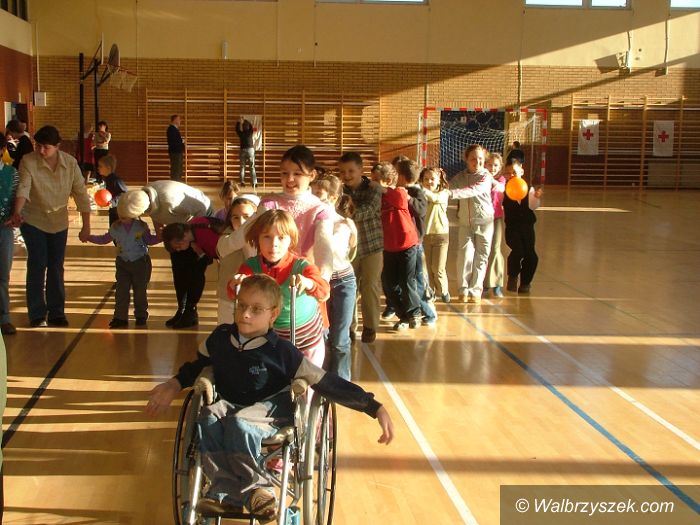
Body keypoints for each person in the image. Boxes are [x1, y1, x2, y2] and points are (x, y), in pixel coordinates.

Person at [146, 274, 394, 521]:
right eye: (241, 305)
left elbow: (324, 381)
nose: (245, 314)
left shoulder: (282, 352)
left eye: (256, 309)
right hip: (229, 404)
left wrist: (373, 406)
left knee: (239, 423)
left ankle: (259, 489)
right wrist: (173, 384)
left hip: (271, 409)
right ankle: (225, 490)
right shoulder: (220, 338)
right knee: (208, 417)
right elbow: (197, 366)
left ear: (273, 314)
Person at [7, 125, 91, 327]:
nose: (41, 151)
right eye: (38, 146)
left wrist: (86, 226)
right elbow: (23, 188)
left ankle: (56, 312)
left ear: (58, 146)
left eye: (46, 147)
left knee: (55, 266)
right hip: (33, 220)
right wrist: (17, 212)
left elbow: (81, 194)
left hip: (58, 222)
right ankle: (37, 313)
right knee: (38, 263)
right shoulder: (28, 161)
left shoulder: (70, 163)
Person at [217, 145, 333, 281]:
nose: (290, 179)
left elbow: (324, 250)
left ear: (312, 175)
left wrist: (321, 282)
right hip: (269, 279)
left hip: (302, 280)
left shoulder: (320, 210)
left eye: (297, 174)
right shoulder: (270, 203)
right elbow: (246, 230)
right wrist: (223, 247)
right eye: (284, 173)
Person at [230, 210, 329, 368]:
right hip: (272, 336)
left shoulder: (302, 265)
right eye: (266, 237)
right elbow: (233, 293)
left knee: (307, 378)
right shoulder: (250, 267)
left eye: (281, 237)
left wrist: (309, 283)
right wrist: (236, 283)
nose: (274, 244)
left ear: (291, 240)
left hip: (307, 337)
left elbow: (324, 291)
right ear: (257, 239)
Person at [120, 180, 212, 326]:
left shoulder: (171, 200)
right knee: (179, 271)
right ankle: (181, 309)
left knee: (194, 272)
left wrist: (190, 237)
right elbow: (154, 213)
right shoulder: (144, 195)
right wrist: (159, 232)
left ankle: (190, 312)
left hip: (199, 223)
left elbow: (202, 209)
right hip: (177, 229)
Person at [85, 197, 159, 328]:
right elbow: (104, 239)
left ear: (134, 212)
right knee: (121, 291)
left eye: (126, 212)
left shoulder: (141, 227)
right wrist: (88, 237)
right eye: (120, 212)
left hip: (140, 263)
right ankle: (120, 317)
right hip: (122, 263)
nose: (122, 215)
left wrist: (162, 237)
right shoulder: (115, 227)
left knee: (140, 291)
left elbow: (149, 240)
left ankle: (141, 315)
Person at [311, 174, 357, 380]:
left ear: (332, 198)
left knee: (340, 339)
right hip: (320, 282)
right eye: (311, 194)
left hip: (343, 281)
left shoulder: (342, 224)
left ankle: (341, 384)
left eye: (318, 195)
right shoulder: (310, 223)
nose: (313, 199)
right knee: (322, 335)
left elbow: (330, 249)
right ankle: (322, 381)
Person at [339, 153, 382, 343]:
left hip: (372, 246)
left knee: (370, 285)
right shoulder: (340, 191)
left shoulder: (373, 189)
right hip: (349, 248)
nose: (346, 175)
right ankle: (349, 327)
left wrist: (342, 214)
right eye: (342, 172)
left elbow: (368, 210)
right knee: (350, 287)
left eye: (351, 171)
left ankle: (370, 326)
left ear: (360, 170)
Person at [375, 162, 421, 331]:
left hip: (407, 245)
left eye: (376, 180)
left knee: (407, 281)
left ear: (388, 180)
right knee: (389, 284)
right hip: (388, 247)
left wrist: (377, 187)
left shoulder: (400, 193)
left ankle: (414, 313)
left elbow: (397, 198)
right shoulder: (376, 198)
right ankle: (403, 316)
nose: (373, 183)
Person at [448, 144, 495, 304]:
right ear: (466, 160)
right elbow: (448, 186)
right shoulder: (460, 177)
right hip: (465, 223)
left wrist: (451, 194)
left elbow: (473, 190)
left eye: (480, 158)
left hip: (484, 222)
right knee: (465, 254)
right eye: (473, 159)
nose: (477, 162)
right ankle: (463, 289)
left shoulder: (486, 177)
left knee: (481, 256)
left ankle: (476, 290)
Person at [162, 217, 225, 328]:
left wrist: (202, 253)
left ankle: (189, 311)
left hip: (227, 255)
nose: (178, 249)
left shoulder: (203, 236)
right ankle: (185, 310)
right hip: (216, 250)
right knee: (184, 270)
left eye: (178, 246)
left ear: (184, 236)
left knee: (196, 275)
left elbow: (218, 253)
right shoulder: (192, 233)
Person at [397, 159, 437, 327]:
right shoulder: (399, 191)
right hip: (403, 243)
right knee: (408, 281)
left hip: (415, 244)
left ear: (401, 176)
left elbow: (420, 210)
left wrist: (408, 198)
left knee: (416, 281)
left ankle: (428, 312)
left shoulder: (417, 192)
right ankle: (413, 312)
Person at [216, 195, 259, 325]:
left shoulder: (263, 239)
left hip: (255, 299)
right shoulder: (225, 240)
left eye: (247, 217)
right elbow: (239, 238)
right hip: (228, 300)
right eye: (235, 217)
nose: (241, 222)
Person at [502, 160, 543, 294]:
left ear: (521, 172)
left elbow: (533, 206)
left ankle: (525, 283)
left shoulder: (528, 188)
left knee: (531, 255)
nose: (511, 175)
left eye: (514, 172)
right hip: (512, 228)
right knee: (518, 251)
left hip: (527, 227)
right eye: (508, 173)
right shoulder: (504, 190)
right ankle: (513, 276)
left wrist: (536, 197)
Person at [420, 166, 451, 303]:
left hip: (441, 235)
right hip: (426, 235)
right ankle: (430, 292)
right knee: (427, 268)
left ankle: (443, 290)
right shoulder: (421, 195)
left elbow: (435, 198)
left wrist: (420, 189)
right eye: (426, 179)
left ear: (439, 180)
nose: (429, 182)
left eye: (432, 179)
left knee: (437, 268)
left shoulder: (444, 193)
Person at [0, 136, 19, 335]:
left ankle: (4, 318)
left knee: (3, 275)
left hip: (3, 230)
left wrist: (15, 215)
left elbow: (17, 198)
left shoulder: (11, 173)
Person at [484, 153, 506, 298]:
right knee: (483, 251)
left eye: (496, 165)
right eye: (490, 164)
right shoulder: (480, 178)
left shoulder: (501, 179)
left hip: (496, 218)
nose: (492, 168)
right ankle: (484, 283)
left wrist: (487, 176)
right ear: (485, 164)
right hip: (482, 219)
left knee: (496, 249)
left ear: (500, 167)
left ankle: (497, 283)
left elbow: (499, 188)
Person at [96, 154, 128, 226]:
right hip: (113, 211)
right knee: (113, 229)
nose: (98, 168)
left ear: (108, 168)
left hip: (119, 212)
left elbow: (123, 193)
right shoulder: (108, 179)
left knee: (117, 230)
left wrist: (113, 201)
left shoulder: (115, 180)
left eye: (100, 166)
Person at [236, 117, 257, 188]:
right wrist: (245, 120)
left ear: (243, 128)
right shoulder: (250, 132)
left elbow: (237, 129)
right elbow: (251, 126)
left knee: (242, 167)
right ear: (248, 127)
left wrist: (239, 122)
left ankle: (242, 182)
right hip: (250, 150)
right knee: (252, 167)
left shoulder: (241, 134)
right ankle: (254, 183)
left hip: (242, 150)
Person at [167, 114, 185, 181]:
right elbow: (173, 141)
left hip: (177, 151)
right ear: (175, 120)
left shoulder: (174, 129)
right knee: (176, 169)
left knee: (178, 168)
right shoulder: (171, 129)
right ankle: (175, 182)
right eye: (178, 119)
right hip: (175, 152)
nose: (180, 121)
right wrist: (181, 141)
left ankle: (177, 182)